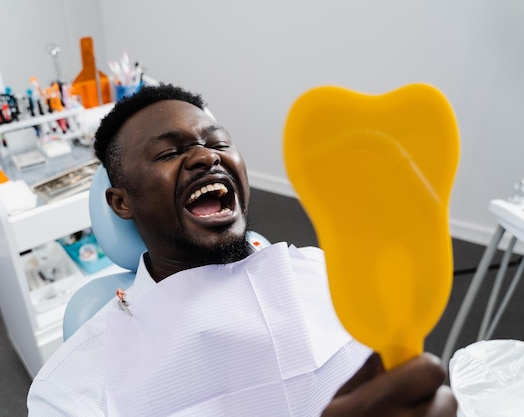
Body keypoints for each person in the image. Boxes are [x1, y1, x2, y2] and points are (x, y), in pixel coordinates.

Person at [27, 83, 457, 416]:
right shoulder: (73, 386)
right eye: (170, 152)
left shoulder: (331, 276)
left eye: (217, 144)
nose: (205, 158)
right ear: (121, 202)